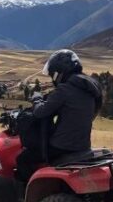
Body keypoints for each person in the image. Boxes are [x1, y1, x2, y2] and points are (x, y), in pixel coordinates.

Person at [15, 49, 102, 182]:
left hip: (62, 147)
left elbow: (40, 112)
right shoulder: (89, 88)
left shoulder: (64, 90)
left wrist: (37, 99)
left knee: (23, 159)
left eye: (52, 75)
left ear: (59, 72)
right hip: (83, 145)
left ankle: (26, 196)